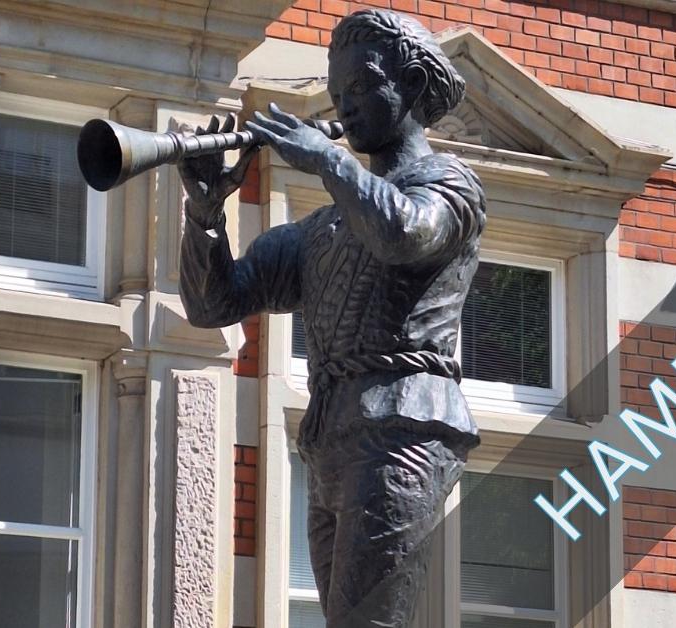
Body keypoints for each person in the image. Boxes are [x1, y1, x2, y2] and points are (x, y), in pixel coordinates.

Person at [178, 9, 485, 627]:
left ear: (414, 88)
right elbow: (214, 303)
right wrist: (206, 216)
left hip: (405, 425)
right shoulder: (322, 229)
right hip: (331, 440)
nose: (344, 106)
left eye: (363, 86)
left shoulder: (450, 184)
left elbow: (406, 233)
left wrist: (326, 161)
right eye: (337, 92)